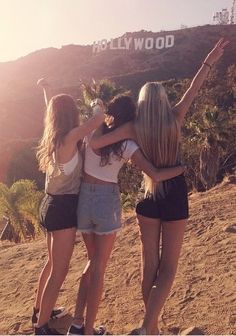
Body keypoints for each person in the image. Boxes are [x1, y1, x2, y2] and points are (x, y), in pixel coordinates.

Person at [89, 38, 228, 335]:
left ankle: (150, 329)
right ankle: (148, 326)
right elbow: (195, 87)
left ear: (141, 102)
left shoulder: (132, 126)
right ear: (163, 99)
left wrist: (99, 114)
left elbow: (97, 141)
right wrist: (210, 59)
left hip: (148, 195)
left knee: (148, 263)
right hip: (175, 192)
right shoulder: (175, 117)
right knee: (168, 268)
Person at [67, 94, 186, 335]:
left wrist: (97, 110)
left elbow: (93, 132)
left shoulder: (94, 132)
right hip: (106, 201)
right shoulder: (128, 145)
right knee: (99, 266)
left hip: (84, 200)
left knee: (90, 263)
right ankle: (89, 331)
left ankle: (77, 324)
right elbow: (155, 174)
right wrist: (181, 168)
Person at [34, 82, 105, 335]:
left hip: (48, 204)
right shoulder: (72, 136)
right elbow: (96, 121)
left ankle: (38, 311)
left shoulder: (52, 136)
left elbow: (48, 108)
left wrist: (45, 90)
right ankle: (42, 327)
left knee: (52, 264)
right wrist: (97, 103)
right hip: (63, 208)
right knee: (60, 270)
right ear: (70, 115)